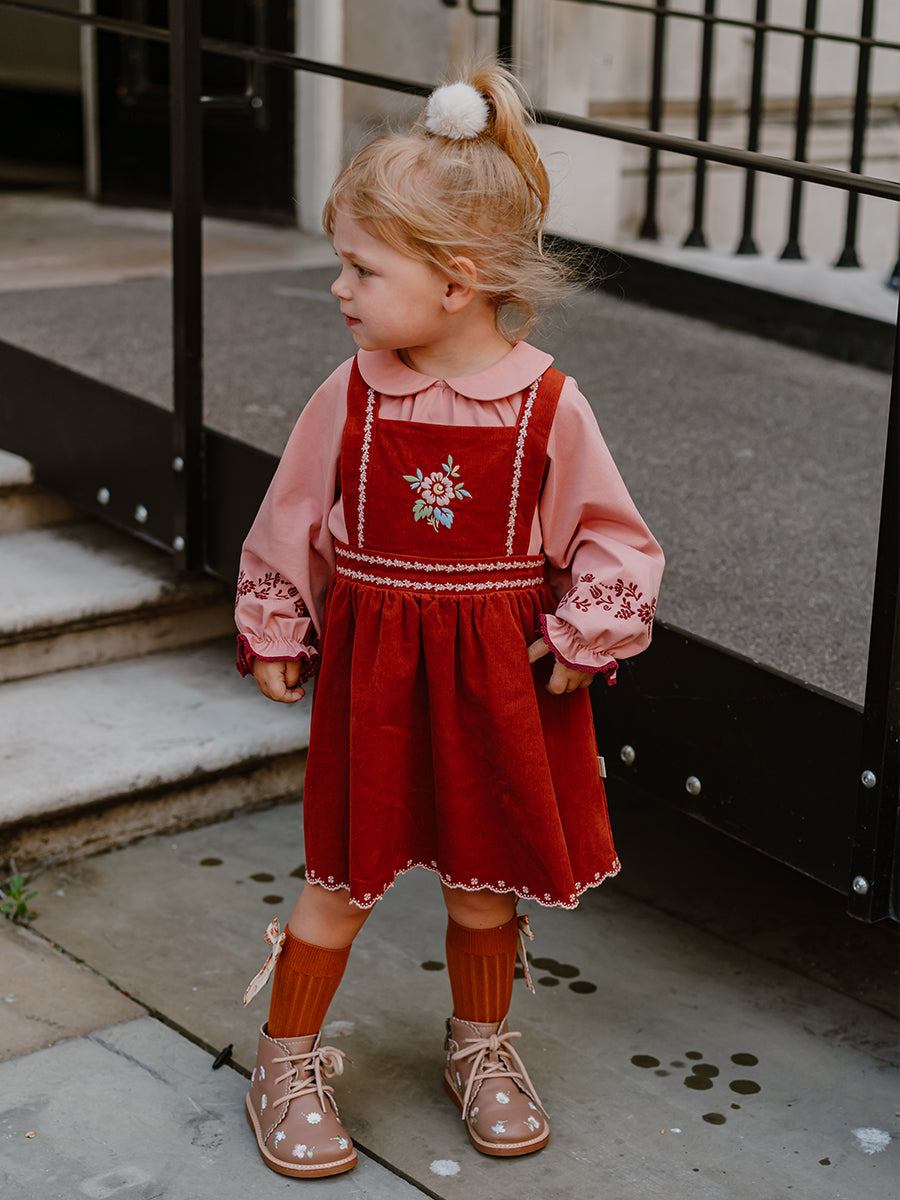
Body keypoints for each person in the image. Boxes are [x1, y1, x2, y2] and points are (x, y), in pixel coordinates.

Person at [234, 61, 664, 1179]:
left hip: (494, 685)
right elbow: (291, 518)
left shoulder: (548, 405)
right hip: (377, 679)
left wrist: (584, 634)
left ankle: (480, 1044)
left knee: (483, 882)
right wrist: (279, 622)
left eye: (363, 268)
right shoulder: (351, 392)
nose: (340, 288)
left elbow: (614, 539)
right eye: (343, 263)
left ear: (458, 281)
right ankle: (283, 1060)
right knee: (341, 878)